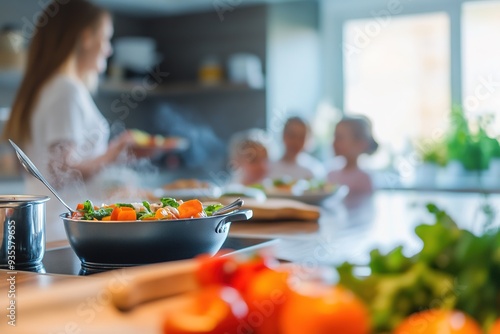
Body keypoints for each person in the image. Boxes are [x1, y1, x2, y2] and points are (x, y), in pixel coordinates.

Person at [1, 0, 132, 242]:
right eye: (106, 38)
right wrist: (116, 152)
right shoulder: (66, 90)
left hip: (48, 228)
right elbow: (61, 171)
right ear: (86, 37)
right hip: (65, 233)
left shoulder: (46, 88)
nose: (109, 50)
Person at [327, 115, 379, 195]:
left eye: (340, 138)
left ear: (360, 143)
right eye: (334, 136)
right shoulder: (331, 174)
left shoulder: (364, 178)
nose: (334, 142)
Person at [268, 116, 325, 181]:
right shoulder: (267, 167)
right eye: (292, 135)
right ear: (283, 135)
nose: (296, 142)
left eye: (301, 137)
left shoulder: (313, 169)